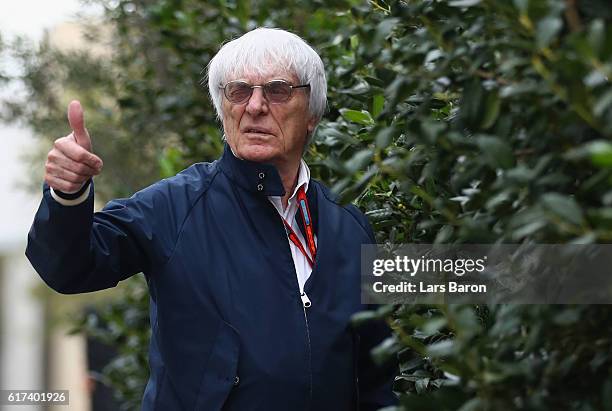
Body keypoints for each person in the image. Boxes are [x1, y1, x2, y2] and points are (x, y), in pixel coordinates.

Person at [26, 27, 397, 410]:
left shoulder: (349, 227)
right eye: (238, 91)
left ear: (312, 114)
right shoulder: (174, 207)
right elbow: (69, 267)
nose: (254, 106)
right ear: (224, 111)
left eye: (277, 90)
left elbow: (375, 373)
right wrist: (67, 196)